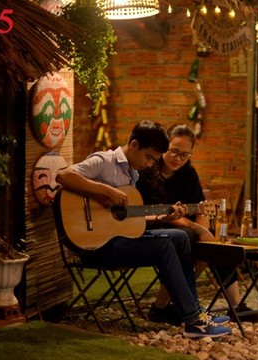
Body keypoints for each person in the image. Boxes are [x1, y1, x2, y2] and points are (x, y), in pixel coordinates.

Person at [55, 120, 231, 338]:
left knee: (179, 238)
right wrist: (105, 191)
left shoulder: (133, 174)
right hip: (96, 246)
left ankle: (194, 312)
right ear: (135, 144)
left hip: (119, 238)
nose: (150, 164)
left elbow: (129, 220)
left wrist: (164, 216)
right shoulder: (104, 161)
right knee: (164, 246)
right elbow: (63, 176)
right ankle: (193, 321)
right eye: (149, 157)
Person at [137, 124, 258, 323]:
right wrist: (196, 229)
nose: (178, 158)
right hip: (154, 225)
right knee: (185, 239)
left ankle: (235, 306)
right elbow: (160, 212)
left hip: (183, 229)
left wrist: (206, 238)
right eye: (174, 151)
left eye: (185, 155)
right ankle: (169, 308)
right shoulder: (147, 170)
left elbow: (201, 207)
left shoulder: (187, 172)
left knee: (214, 242)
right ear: (165, 147)